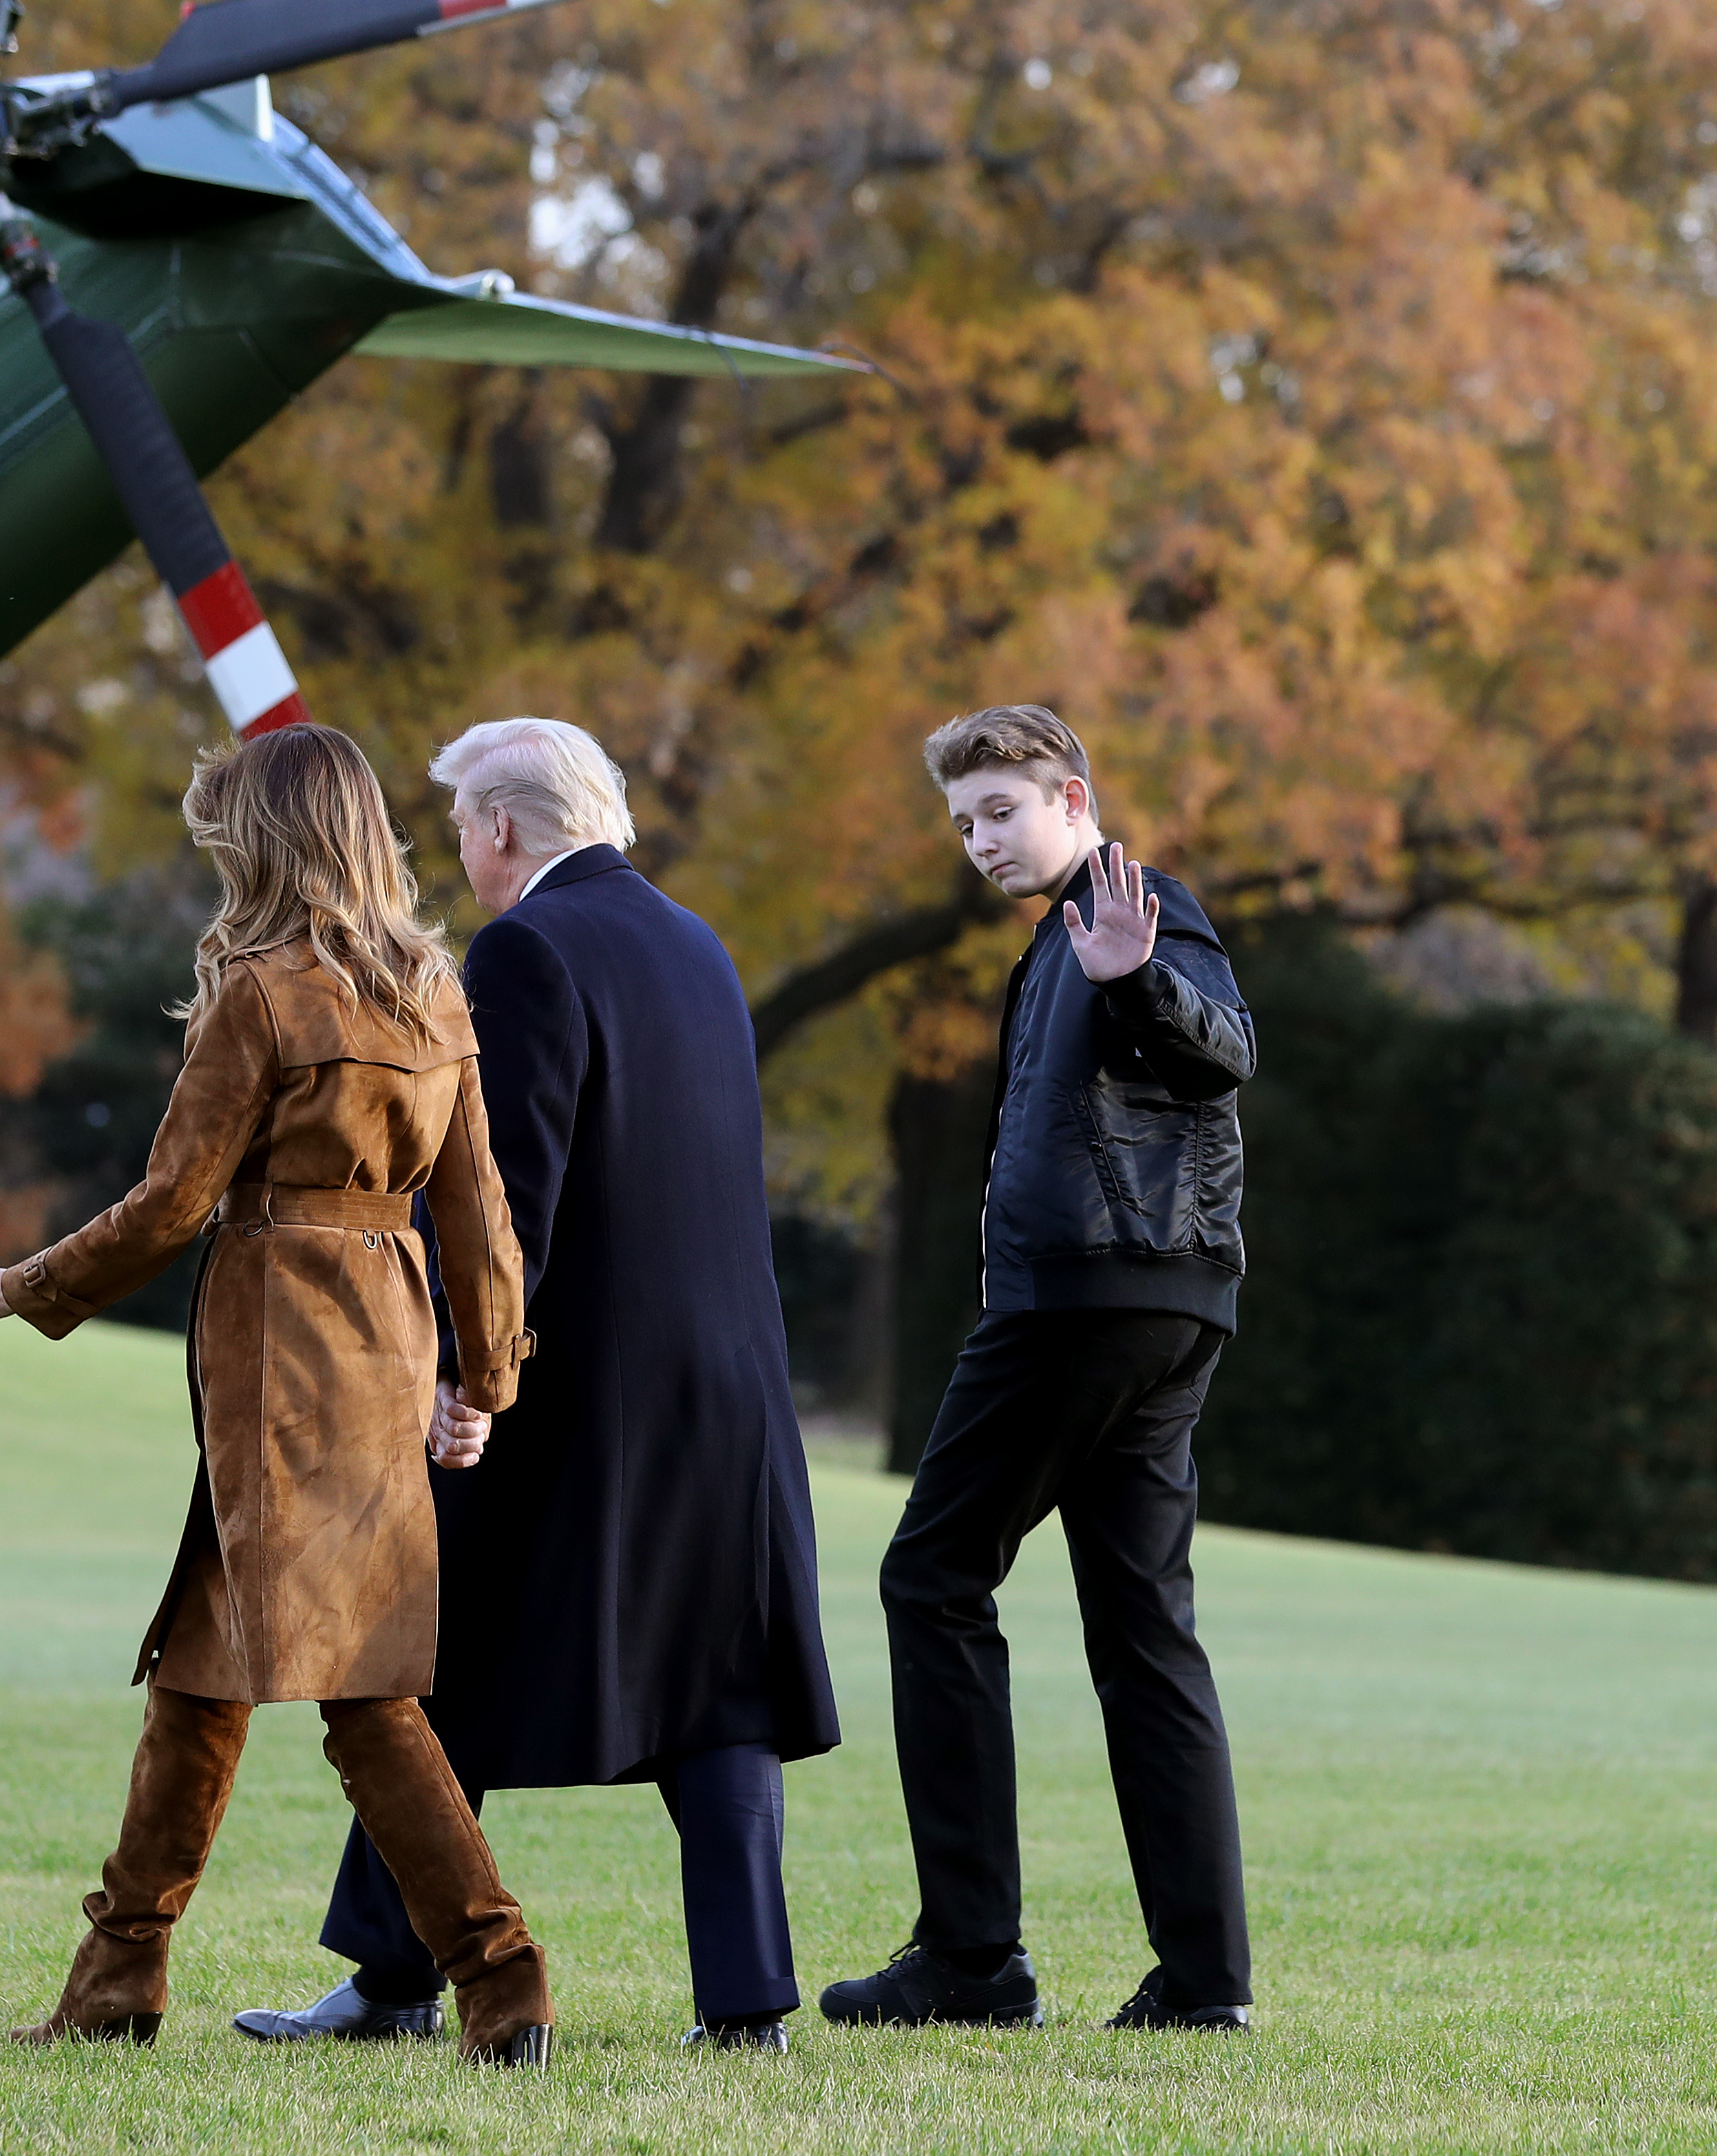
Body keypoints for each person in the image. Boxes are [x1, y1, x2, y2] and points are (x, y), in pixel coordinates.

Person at [0, 723, 556, 2067]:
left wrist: (18, 1285)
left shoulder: (260, 995)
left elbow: (171, 1204)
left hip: (278, 1354)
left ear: (266, 844)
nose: (215, 860)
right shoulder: (434, 992)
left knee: (366, 1699)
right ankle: (116, 1984)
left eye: (226, 838)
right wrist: (483, 1377)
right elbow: (479, 1212)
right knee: (201, 1682)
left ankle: (503, 1981)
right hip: (382, 1352)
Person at [232, 715, 840, 2053]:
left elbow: (510, 1198)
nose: (460, 855)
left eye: (461, 830)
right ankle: (746, 2008)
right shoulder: (699, 946)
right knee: (719, 1689)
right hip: (728, 1392)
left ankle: (394, 1980)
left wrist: (460, 1370)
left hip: (573, 1391)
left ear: (504, 829)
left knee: (442, 1663)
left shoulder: (526, 950)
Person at [820, 704, 1257, 2034]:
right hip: (1164, 1307)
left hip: (1084, 1305)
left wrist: (1135, 975)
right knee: (1143, 1632)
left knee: (932, 1577)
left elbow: (1225, 1048)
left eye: (1002, 811)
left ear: (1074, 796)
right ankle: (1203, 1988)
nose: (981, 841)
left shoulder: (1132, 910)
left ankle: (971, 1963)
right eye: (964, 823)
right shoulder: (1065, 937)